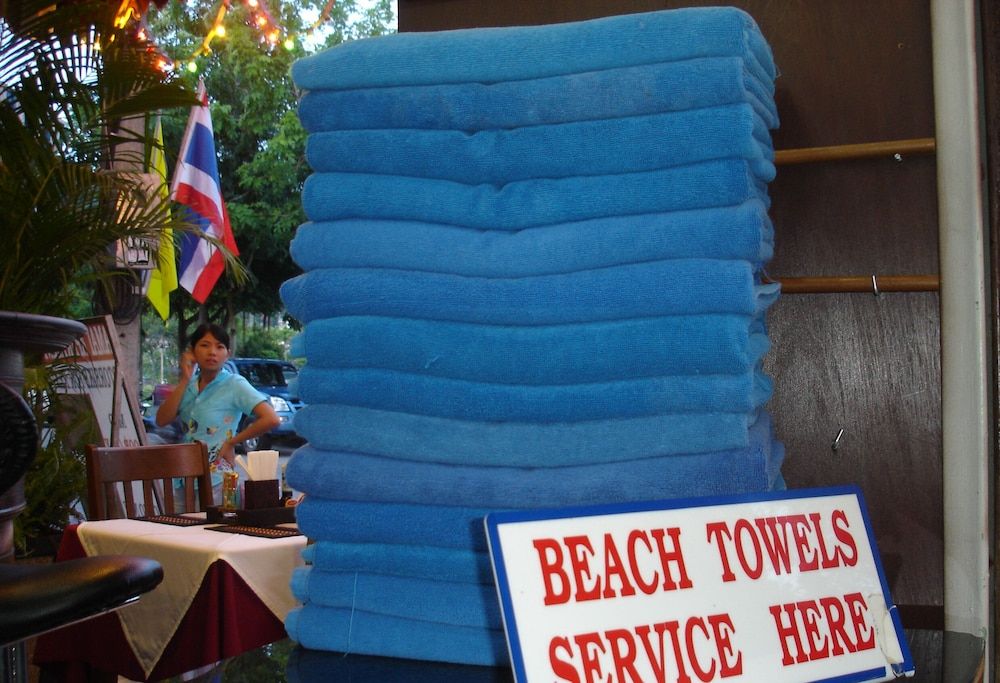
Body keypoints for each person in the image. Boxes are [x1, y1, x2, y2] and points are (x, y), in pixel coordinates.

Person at [156, 323, 280, 506]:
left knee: (216, 524)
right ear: (192, 351)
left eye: (219, 347)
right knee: (180, 524)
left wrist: (232, 442)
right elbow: (161, 419)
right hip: (184, 477)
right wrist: (184, 379)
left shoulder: (234, 384)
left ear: (227, 354)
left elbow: (271, 418)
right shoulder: (189, 386)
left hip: (218, 481)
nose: (212, 352)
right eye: (205, 345)